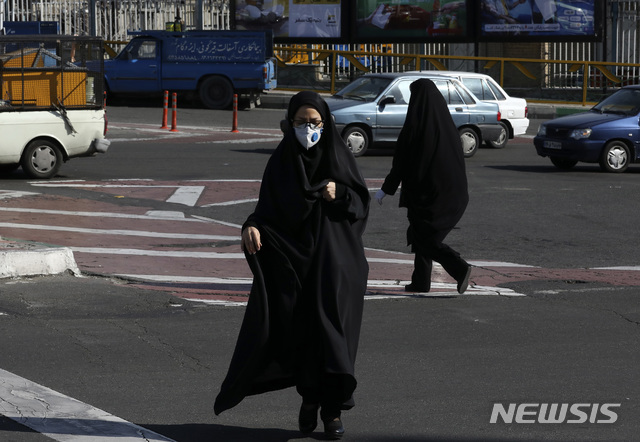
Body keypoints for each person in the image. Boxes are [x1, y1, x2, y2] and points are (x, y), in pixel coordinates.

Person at [214, 91, 370, 440]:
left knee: (335, 340)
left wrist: (340, 194)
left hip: (337, 267)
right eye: (301, 123)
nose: (309, 129)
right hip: (296, 266)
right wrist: (250, 226)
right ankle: (310, 400)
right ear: (290, 124)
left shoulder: (338, 158)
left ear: (326, 123)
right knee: (304, 337)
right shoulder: (283, 162)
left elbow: (360, 204)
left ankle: (333, 411)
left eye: (315, 123)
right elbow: (266, 209)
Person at [375, 78, 471, 294]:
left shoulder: (415, 126)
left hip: (426, 196)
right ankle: (421, 281)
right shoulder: (448, 127)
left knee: (423, 238)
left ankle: (459, 268)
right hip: (455, 195)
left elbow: (401, 162)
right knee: (423, 234)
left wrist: (385, 189)